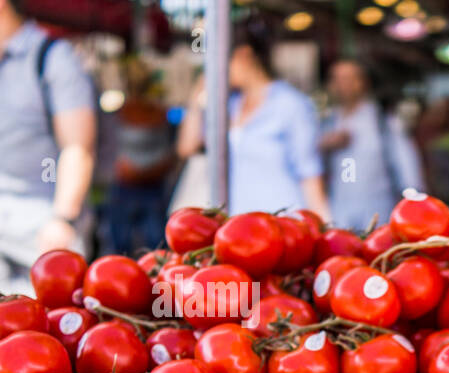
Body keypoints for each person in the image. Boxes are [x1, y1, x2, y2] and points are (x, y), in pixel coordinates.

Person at [177, 23, 328, 219]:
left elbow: (310, 174)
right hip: (239, 225)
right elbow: (187, 147)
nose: (215, 69)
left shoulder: (290, 103)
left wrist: (323, 225)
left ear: (243, 55)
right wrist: (199, 91)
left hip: (284, 224)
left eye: (218, 61)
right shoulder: (231, 105)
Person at [0, 0, 95, 281]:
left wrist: (63, 218)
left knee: (39, 322)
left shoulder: (54, 57)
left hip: (41, 233)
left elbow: (77, 147)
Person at [319, 60, 422, 232]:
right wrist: (324, 145)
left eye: (349, 79)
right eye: (337, 79)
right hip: (339, 209)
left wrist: (414, 200)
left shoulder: (382, 121)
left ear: (362, 82)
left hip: (379, 208)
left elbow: (406, 163)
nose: (342, 85)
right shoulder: (327, 122)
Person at [106, 57, 173, 254]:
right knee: (125, 244)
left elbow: (169, 152)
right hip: (132, 185)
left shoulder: (155, 113)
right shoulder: (124, 112)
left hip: (147, 186)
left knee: (154, 246)